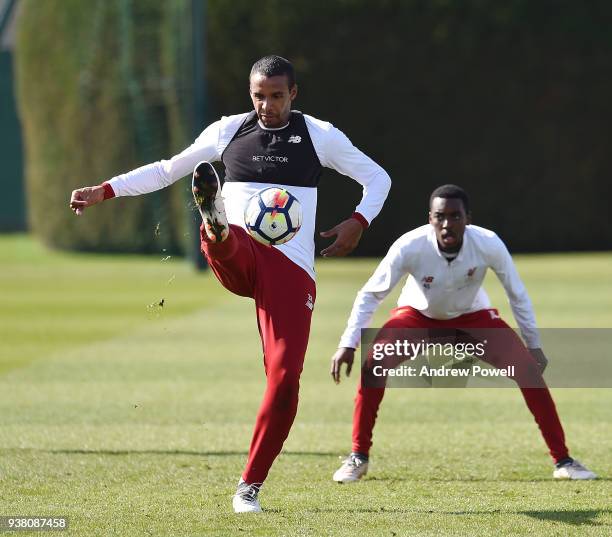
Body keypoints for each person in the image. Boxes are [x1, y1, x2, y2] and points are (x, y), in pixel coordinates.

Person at [70, 55, 391, 512]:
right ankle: (215, 226)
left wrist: (359, 221)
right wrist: (105, 190)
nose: (267, 105)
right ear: (250, 93)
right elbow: (166, 170)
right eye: (259, 95)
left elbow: (378, 178)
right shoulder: (228, 131)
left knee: (284, 382)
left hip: (290, 270)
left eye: (276, 96)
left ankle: (248, 488)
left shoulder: (319, 136)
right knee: (228, 241)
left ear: (293, 94)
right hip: (241, 256)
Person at [330, 184, 596, 483]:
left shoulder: (487, 243)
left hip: (473, 319)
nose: (447, 224)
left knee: (529, 372)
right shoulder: (410, 245)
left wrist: (533, 347)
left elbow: (517, 294)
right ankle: (358, 456)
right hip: (419, 317)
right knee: (374, 366)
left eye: (455, 216)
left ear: (468, 218)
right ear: (430, 218)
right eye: (440, 216)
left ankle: (564, 460)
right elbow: (370, 295)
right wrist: (348, 343)